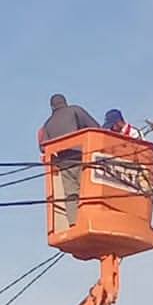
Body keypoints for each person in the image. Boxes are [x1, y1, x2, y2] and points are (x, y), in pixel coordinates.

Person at [38, 93, 99, 226]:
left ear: (52, 107)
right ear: (65, 102)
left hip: (64, 163)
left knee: (71, 194)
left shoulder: (48, 124)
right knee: (89, 190)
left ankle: (74, 223)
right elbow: (95, 127)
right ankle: (91, 219)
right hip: (82, 157)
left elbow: (43, 147)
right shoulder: (75, 110)